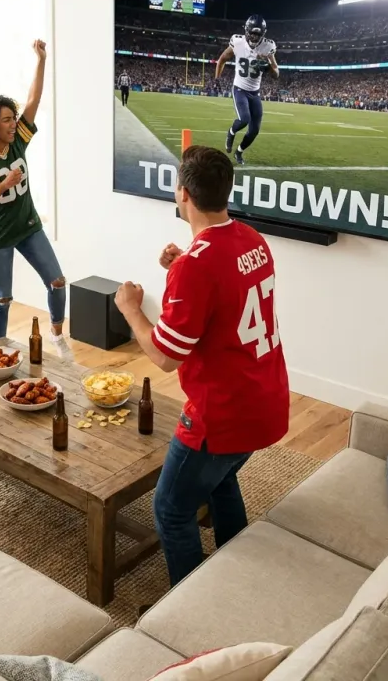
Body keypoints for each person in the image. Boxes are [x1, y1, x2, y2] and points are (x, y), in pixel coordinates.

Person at [115, 145, 289, 588]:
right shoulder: (252, 240)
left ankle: (189, 604)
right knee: (220, 481)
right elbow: (223, 299)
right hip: (264, 400)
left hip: (222, 413)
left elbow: (166, 357)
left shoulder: (197, 265)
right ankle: (236, 572)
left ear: (183, 195)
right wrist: (181, 267)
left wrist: (131, 309)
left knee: (171, 508)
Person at [0, 40, 73, 360]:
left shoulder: (16, 145)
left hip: (28, 227)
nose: (14, 124)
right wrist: (6, 183)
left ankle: (56, 335)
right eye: (7, 119)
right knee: (2, 298)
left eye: (14, 118)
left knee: (57, 281)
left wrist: (41, 60)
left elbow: (34, 99)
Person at [215, 14, 279, 165]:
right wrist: (217, 79)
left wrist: (268, 65)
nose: (254, 36)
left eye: (258, 34)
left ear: (263, 33)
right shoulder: (237, 42)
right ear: (246, 30)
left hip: (255, 93)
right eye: (252, 32)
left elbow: (276, 74)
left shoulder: (268, 47)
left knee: (254, 130)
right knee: (244, 119)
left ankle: (239, 151)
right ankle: (231, 133)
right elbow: (222, 59)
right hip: (240, 89)